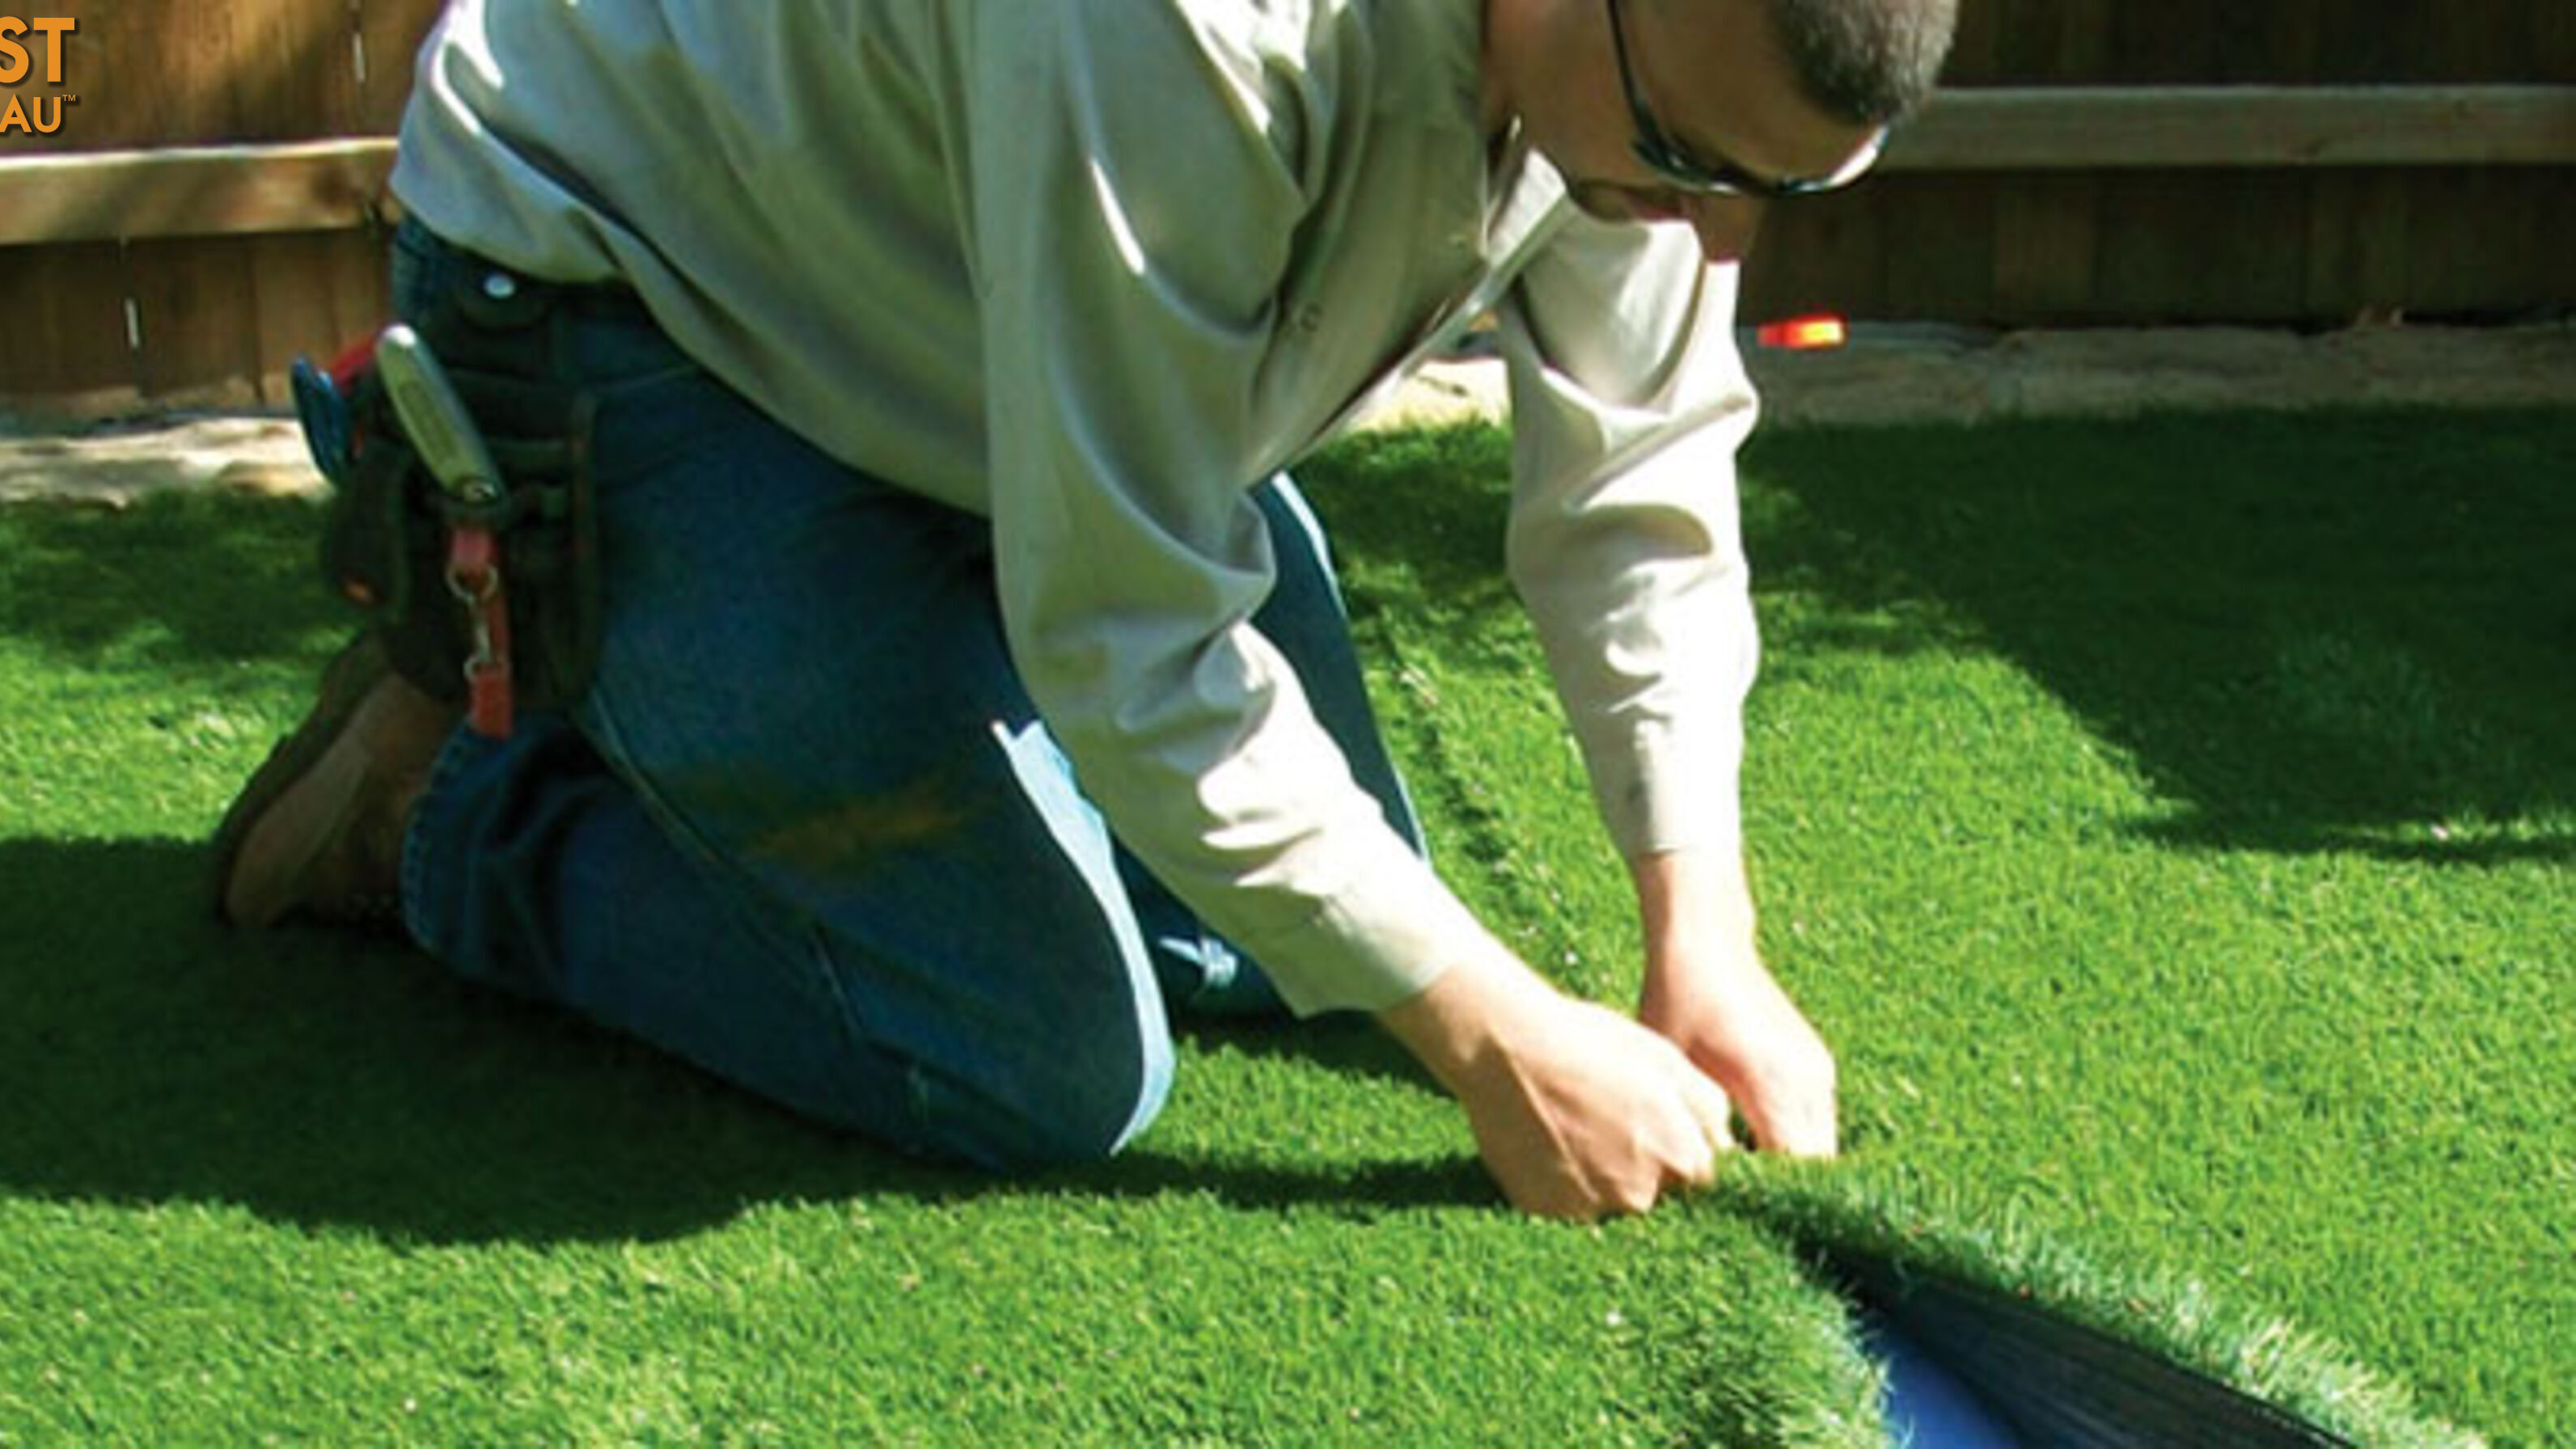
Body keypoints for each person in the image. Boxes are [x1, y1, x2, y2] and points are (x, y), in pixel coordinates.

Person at [211, 0, 1956, 1220]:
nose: (1705, 229)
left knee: (1271, 949)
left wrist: (1697, 936)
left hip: (946, 323)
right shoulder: (1192, 22)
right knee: (1040, 1053)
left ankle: (741, 667)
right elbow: (1127, 637)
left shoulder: (1651, 86)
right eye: (1675, 159)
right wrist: (1497, 1031)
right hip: (634, 302)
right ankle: (463, 788)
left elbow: (1636, 484)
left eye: (1778, 186)